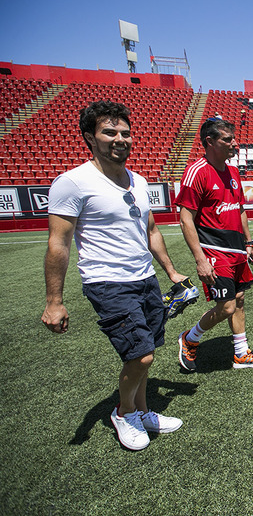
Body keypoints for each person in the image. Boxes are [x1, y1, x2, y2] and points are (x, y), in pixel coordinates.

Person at [42, 101, 187, 451]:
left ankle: (143, 410)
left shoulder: (137, 180)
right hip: (106, 282)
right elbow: (58, 242)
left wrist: (169, 270)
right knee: (142, 355)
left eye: (125, 132)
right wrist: (54, 302)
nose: (120, 138)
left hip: (145, 278)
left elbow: (151, 230)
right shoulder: (73, 182)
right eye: (109, 132)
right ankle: (123, 414)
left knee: (146, 349)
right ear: (90, 138)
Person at [174, 118, 253, 371]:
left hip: (236, 248)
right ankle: (190, 338)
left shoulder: (234, 172)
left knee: (238, 300)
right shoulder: (197, 171)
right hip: (214, 250)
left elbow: (239, 210)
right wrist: (200, 259)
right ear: (209, 142)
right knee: (226, 306)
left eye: (233, 138)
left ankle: (241, 353)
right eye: (227, 139)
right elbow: (186, 219)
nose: (234, 144)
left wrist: (247, 242)